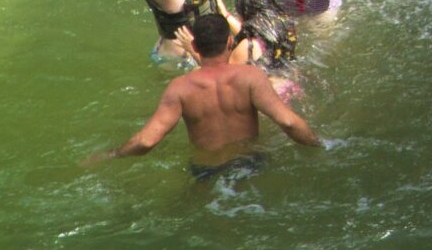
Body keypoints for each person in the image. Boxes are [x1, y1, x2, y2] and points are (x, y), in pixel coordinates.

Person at [84, 12, 320, 181]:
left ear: (194, 46)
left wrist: (112, 154)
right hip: (250, 164)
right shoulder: (251, 77)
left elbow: (146, 141)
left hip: (207, 171)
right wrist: (319, 145)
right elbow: (288, 122)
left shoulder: (180, 88)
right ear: (230, 42)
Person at [232, 0, 301, 101]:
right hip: (292, 88)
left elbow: (224, 80)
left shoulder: (248, 47)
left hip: (265, 99)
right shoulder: (287, 31)